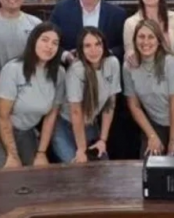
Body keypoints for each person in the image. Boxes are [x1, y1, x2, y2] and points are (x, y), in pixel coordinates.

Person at [0, 23, 65, 168]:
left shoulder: (59, 74)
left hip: (24, 131)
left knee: (37, 172)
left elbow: (51, 116)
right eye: (45, 40)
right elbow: (2, 116)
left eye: (55, 43)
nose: (49, 46)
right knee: (10, 173)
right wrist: (12, 154)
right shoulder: (13, 69)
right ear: (33, 41)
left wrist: (41, 152)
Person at [51, 28, 122, 163]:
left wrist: (102, 140)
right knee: (77, 166)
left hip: (89, 124)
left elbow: (110, 104)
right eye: (87, 46)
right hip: (65, 125)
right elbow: (76, 111)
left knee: (101, 164)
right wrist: (82, 149)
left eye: (97, 44)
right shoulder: (76, 69)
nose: (93, 50)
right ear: (81, 49)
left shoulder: (112, 63)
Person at [124, 20, 174, 156]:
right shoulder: (129, 67)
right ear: (135, 40)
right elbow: (134, 106)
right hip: (155, 123)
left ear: (159, 41)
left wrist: (173, 141)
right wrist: (152, 135)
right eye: (141, 37)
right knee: (149, 161)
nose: (146, 42)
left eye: (151, 37)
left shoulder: (171, 63)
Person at [49, 0, 127, 58]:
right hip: (70, 65)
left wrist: (106, 54)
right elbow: (50, 41)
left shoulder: (117, 14)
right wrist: (66, 56)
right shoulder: (61, 10)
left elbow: (123, 47)